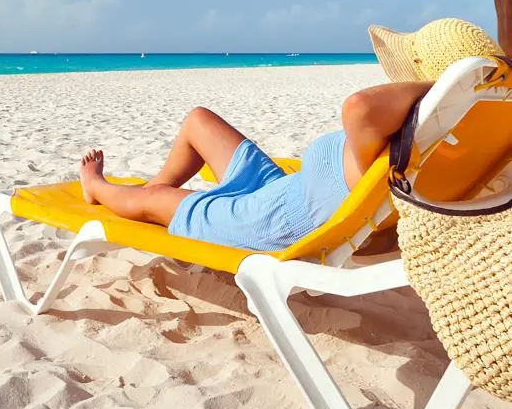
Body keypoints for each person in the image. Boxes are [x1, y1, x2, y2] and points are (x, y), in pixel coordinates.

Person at [79, 18, 502, 251]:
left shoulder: (391, 149)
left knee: (155, 200)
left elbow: (358, 108)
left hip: (267, 220)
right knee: (199, 120)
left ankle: (99, 188)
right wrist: (459, 97)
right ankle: (166, 202)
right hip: (282, 191)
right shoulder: (440, 143)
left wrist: (446, 91)